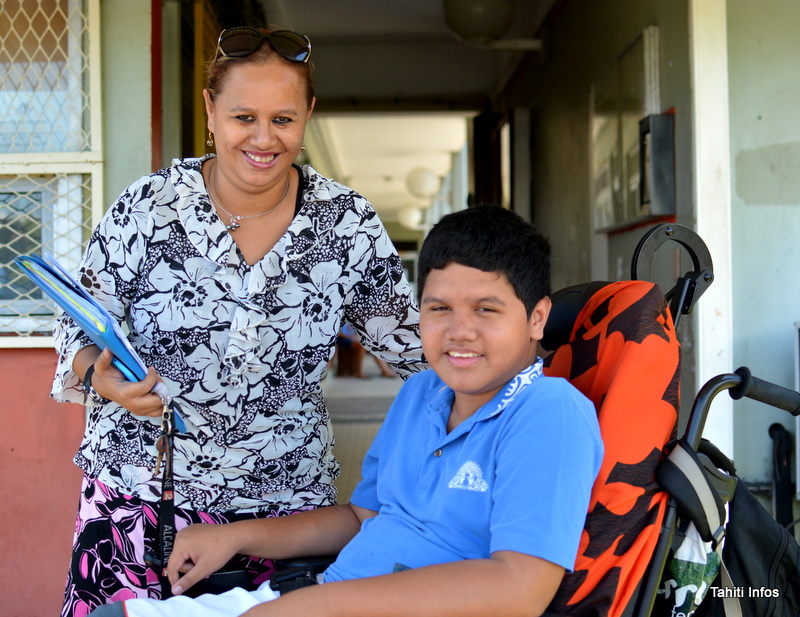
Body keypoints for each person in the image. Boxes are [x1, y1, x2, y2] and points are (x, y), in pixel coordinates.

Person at [52, 26, 424, 617]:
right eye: (243, 116)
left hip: (284, 514)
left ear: (308, 115)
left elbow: (414, 349)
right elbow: (81, 323)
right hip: (139, 496)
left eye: (283, 119)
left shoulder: (347, 225)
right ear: (209, 110)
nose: (263, 138)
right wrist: (98, 375)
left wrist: (525, 378)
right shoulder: (148, 206)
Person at [88, 205, 604, 617]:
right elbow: (362, 518)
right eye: (438, 308)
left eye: (486, 309)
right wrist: (236, 536)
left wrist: (321, 606)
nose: (459, 331)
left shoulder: (548, 414)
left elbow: (519, 590)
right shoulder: (422, 394)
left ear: (537, 318)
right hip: (322, 597)